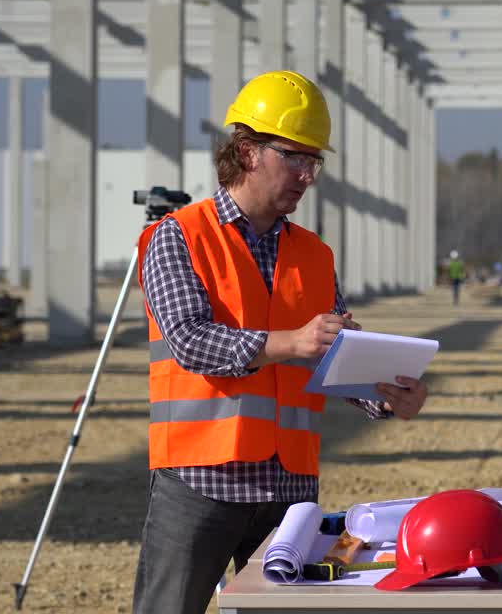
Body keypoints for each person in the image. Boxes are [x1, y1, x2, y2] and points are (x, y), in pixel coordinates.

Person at [132, 70, 429, 614]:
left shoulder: (315, 254)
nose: (307, 175)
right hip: (200, 481)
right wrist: (290, 341)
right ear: (247, 152)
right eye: (295, 157)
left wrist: (384, 392)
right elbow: (189, 342)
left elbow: (330, 355)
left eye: (314, 162)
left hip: (289, 492)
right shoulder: (178, 236)